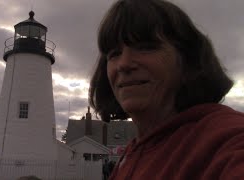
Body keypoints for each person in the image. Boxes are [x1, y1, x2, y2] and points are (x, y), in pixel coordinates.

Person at [89, 0, 244, 179]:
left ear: (188, 62)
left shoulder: (224, 139)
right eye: (114, 54)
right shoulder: (133, 153)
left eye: (145, 48)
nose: (123, 64)